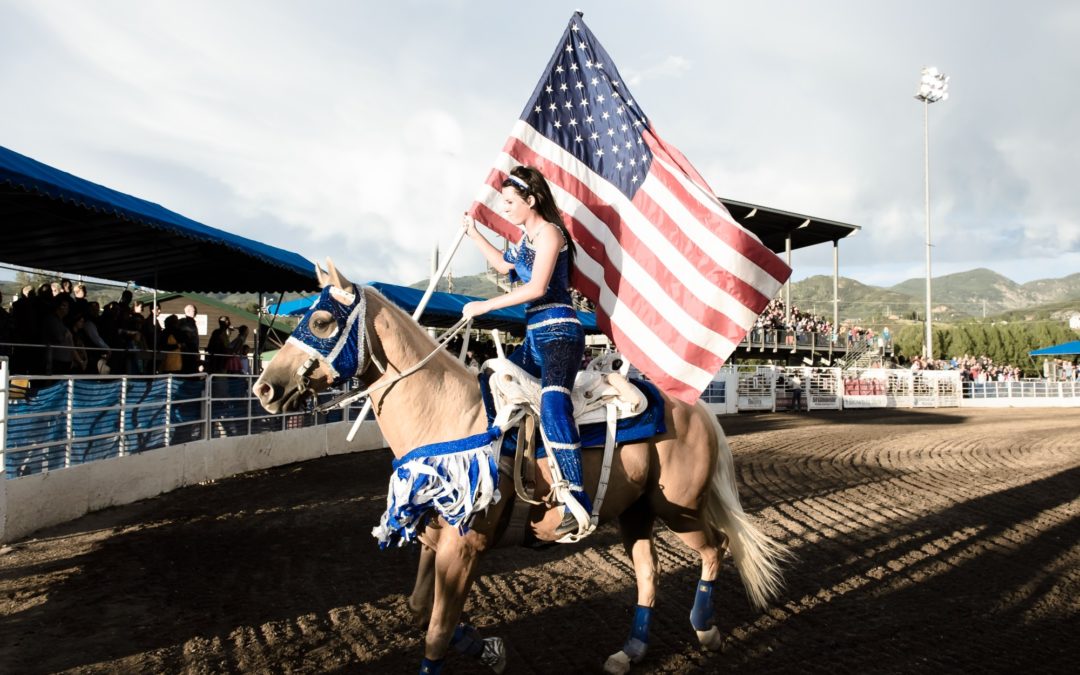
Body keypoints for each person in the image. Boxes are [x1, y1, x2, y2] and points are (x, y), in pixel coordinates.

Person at [462, 165, 590, 537]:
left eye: (509, 202)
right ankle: (503, 466)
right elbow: (504, 265)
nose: (503, 208)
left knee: (552, 403)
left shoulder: (550, 233)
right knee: (489, 378)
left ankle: (577, 500)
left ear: (531, 200)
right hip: (534, 337)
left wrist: (484, 306)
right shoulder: (524, 240)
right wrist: (474, 233)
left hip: (560, 333)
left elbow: (536, 288)